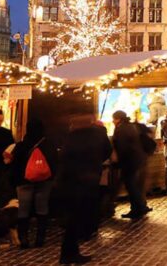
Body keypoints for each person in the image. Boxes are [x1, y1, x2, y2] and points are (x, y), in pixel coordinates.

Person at [58, 113, 112, 264]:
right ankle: (70, 253)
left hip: (70, 182)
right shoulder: (96, 135)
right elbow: (107, 150)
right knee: (79, 217)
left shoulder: (70, 137)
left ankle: (69, 252)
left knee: (72, 219)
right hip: (87, 181)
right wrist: (95, 164)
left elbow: (63, 157)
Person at [9, 118, 58, 248]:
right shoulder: (48, 144)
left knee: (23, 210)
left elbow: (14, 164)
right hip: (44, 181)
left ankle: (23, 239)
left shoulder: (21, 145)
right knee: (42, 209)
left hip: (24, 181)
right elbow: (54, 162)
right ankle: (40, 239)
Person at [111, 110, 150, 219]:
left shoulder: (121, 129)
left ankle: (138, 209)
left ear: (118, 119)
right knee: (134, 185)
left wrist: (118, 161)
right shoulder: (130, 126)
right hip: (137, 159)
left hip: (129, 161)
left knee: (131, 186)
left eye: (114, 119)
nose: (113, 121)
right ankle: (139, 207)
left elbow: (122, 148)